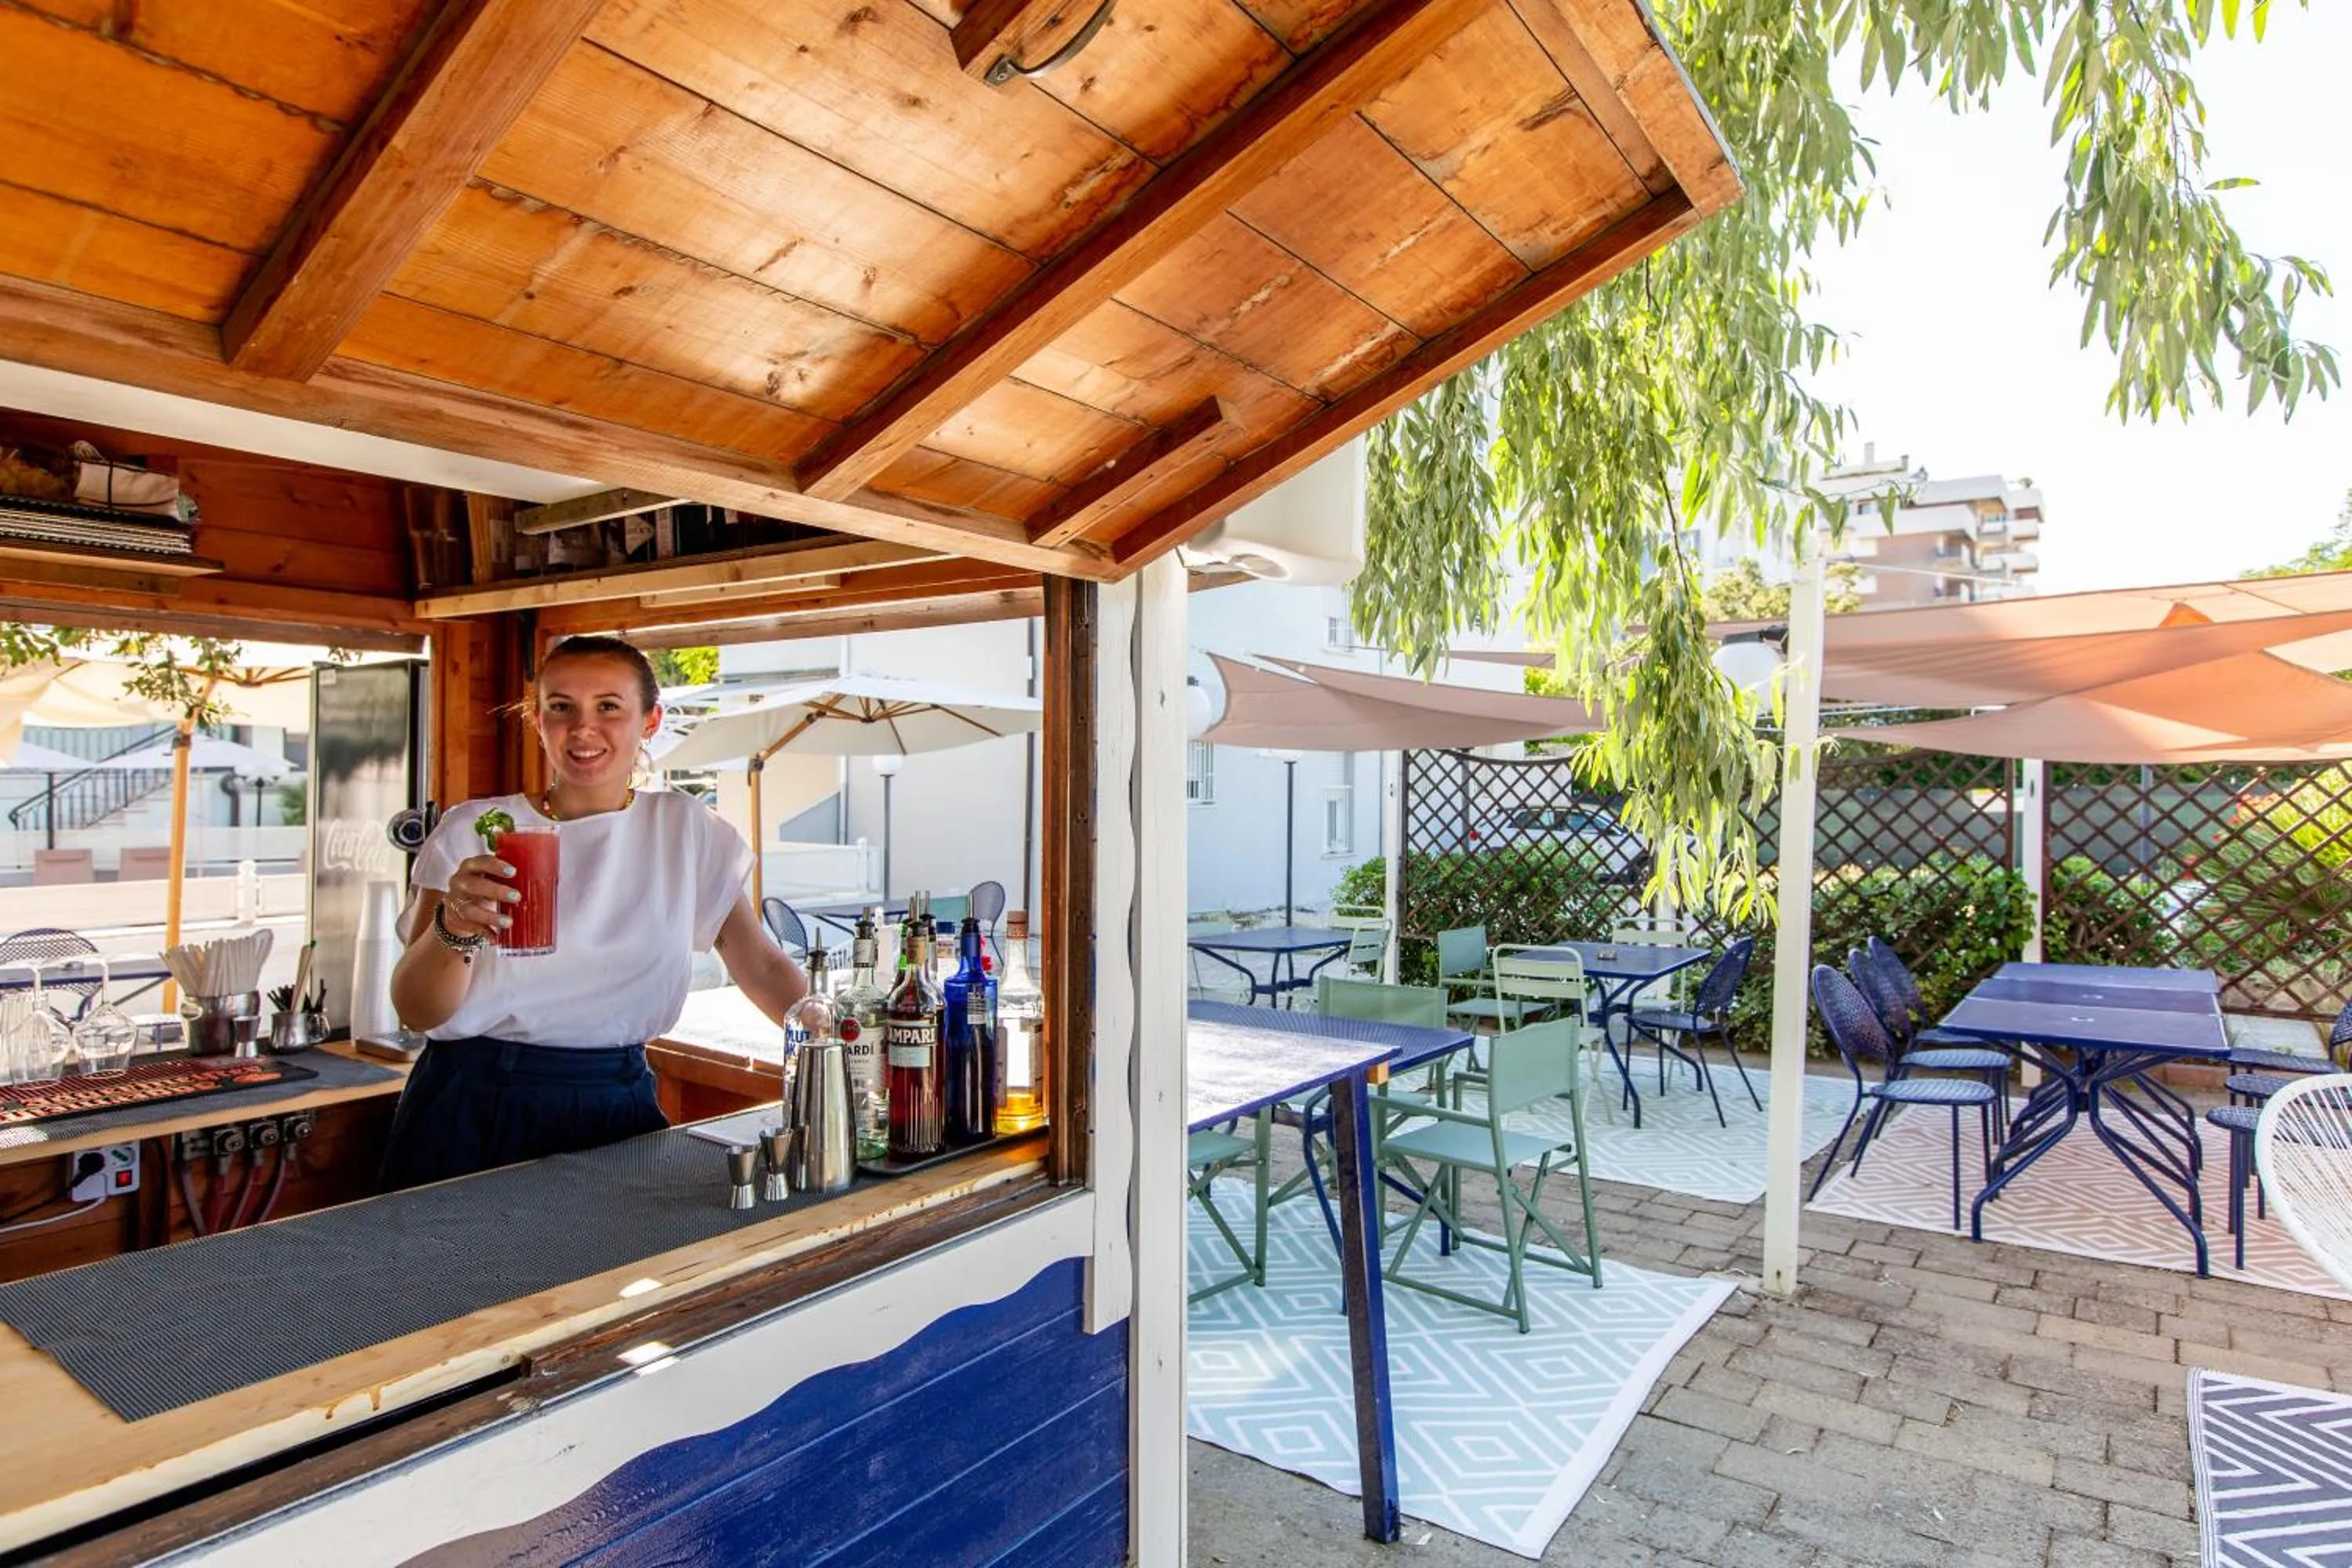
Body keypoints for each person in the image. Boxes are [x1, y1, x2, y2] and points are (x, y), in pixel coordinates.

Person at [382, 634, 807, 1190]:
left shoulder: (687, 830)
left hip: (615, 1096)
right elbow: (417, 1011)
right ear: (538, 721)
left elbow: (764, 968)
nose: (583, 729)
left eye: (608, 706)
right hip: (472, 1098)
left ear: (650, 721)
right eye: (562, 708)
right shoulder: (474, 830)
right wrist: (455, 926)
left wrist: (844, 1047)